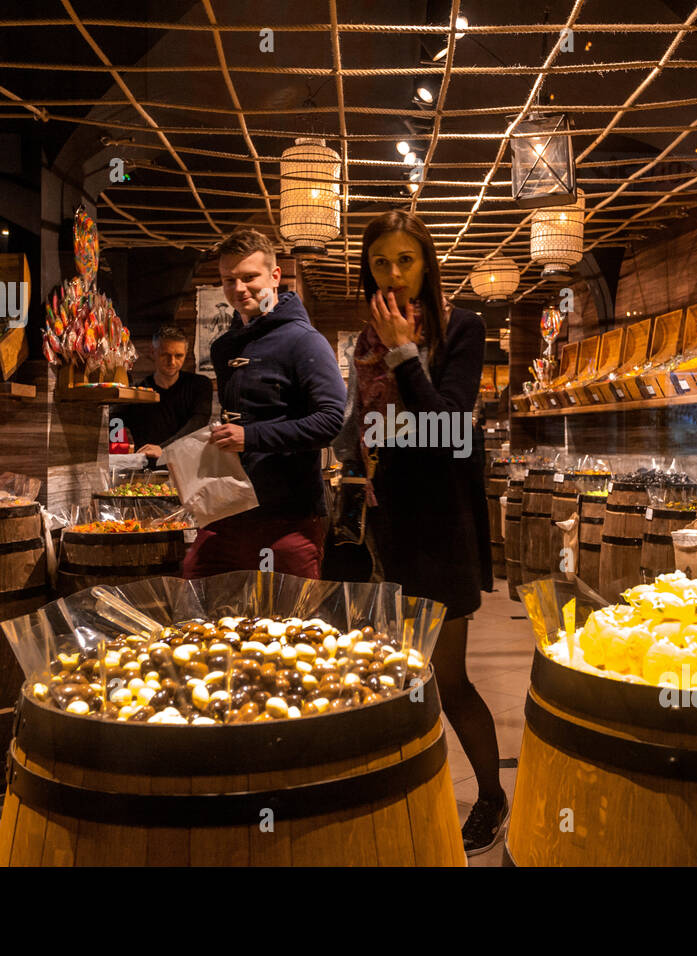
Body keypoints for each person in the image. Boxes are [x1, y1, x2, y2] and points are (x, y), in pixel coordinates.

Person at [332, 210, 502, 855]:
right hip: (388, 517)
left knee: (449, 675)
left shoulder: (462, 326)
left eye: (405, 260)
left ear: (426, 262)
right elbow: (364, 423)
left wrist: (404, 350)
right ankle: (407, 790)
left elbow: (448, 428)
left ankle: (490, 794)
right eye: (381, 262)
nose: (394, 274)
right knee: (401, 669)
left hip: (443, 522)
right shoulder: (362, 342)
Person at [180, 228, 345, 579]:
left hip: (289, 518)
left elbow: (332, 421)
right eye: (229, 280)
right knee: (200, 602)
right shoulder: (224, 347)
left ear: (275, 276)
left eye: (249, 277)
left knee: (289, 624)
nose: (239, 289)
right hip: (226, 511)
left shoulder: (304, 341)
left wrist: (251, 437)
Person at [116, 325, 213, 464]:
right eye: (165, 355)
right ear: (152, 352)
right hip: (148, 470)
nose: (172, 362)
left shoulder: (200, 385)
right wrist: (118, 447)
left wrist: (164, 449)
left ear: (186, 353)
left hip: (187, 466)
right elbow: (113, 419)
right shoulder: (137, 392)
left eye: (178, 356)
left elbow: (197, 424)